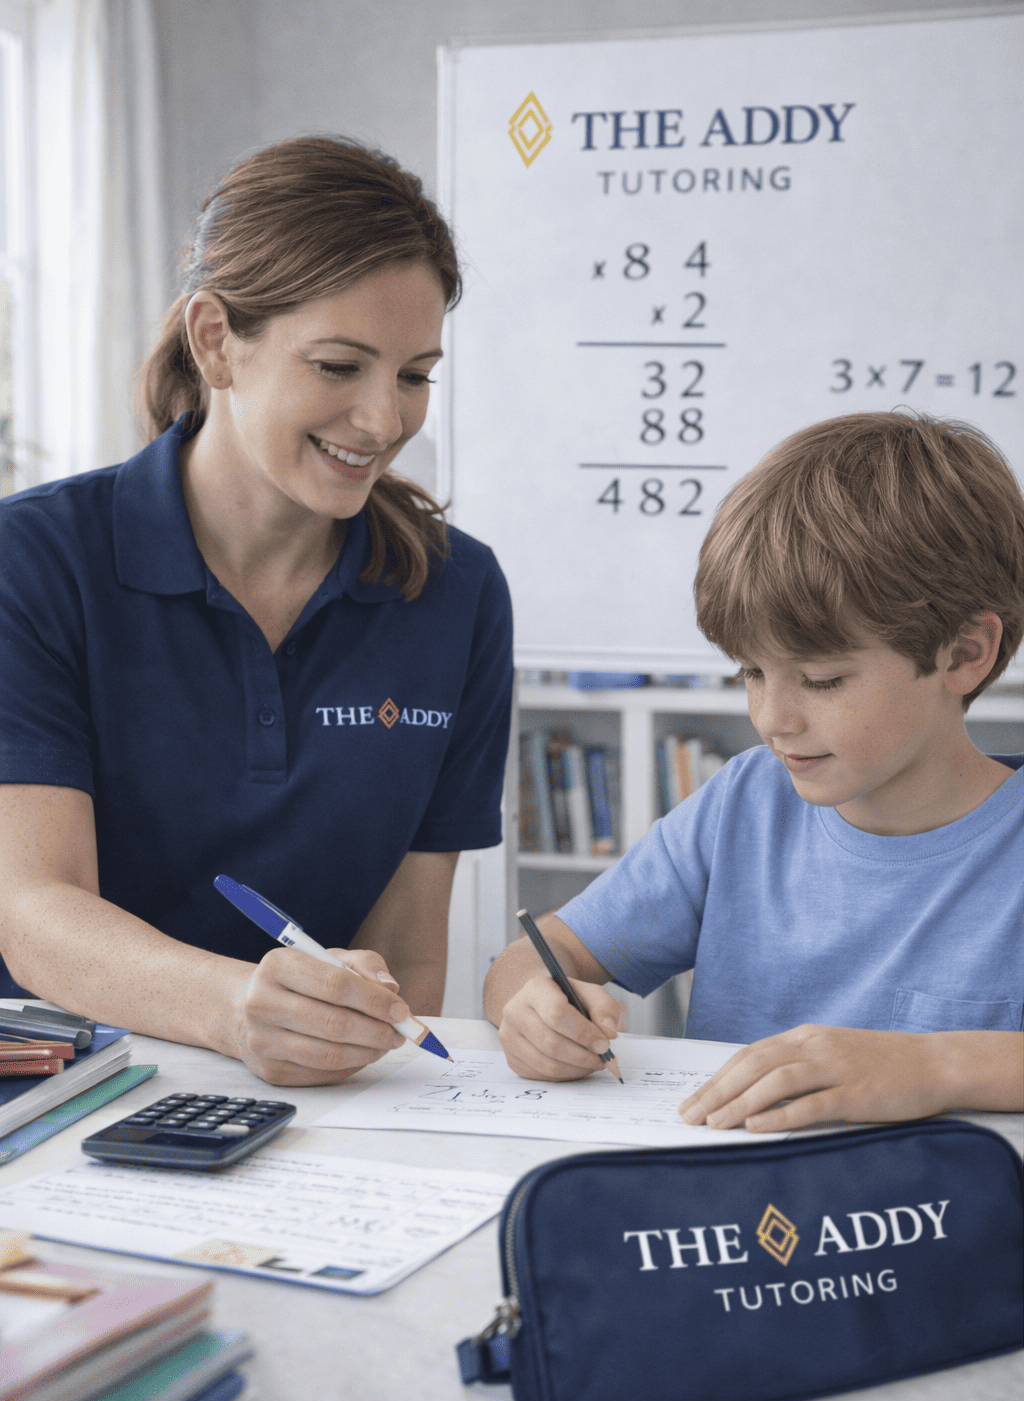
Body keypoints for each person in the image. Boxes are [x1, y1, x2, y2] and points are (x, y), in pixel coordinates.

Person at [0, 136, 513, 1086]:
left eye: (413, 374)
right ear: (214, 340)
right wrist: (239, 1011)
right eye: (337, 366)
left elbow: (407, 948)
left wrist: (348, 1048)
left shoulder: (460, 594)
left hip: (314, 1098)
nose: (383, 422)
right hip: (55, 1087)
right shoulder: (30, 561)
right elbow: (35, 909)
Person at [484, 412, 1023, 1129]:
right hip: (730, 1214)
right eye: (751, 673)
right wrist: (535, 1008)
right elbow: (530, 961)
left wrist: (931, 1066)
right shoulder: (743, 804)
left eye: (823, 680)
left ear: (963, 655)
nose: (772, 719)